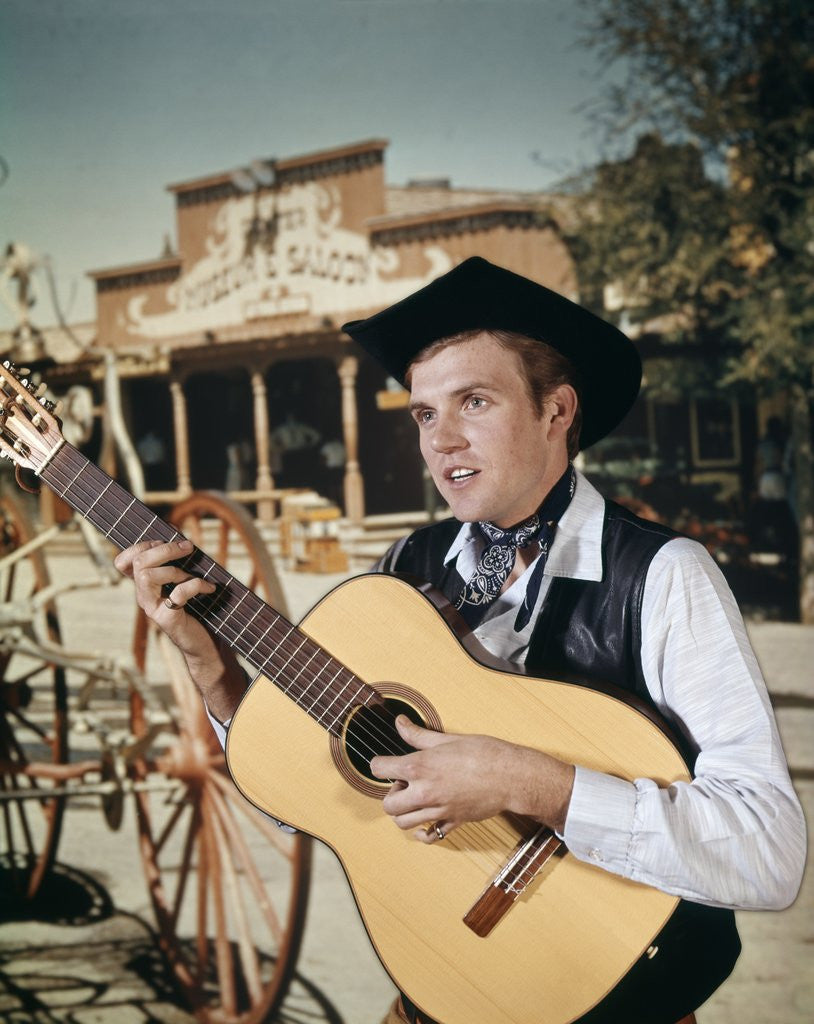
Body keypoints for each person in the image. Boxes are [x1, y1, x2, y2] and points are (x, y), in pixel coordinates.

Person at [114, 258, 805, 1024]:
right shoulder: (402, 573)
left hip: (620, 996)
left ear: (557, 410)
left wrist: (531, 783)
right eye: (423, 415)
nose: (442, 441)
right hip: (440, 995)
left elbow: (767, 854)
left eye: (474, 402)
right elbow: (311, 802)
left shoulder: (663, 575)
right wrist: (212, 667)